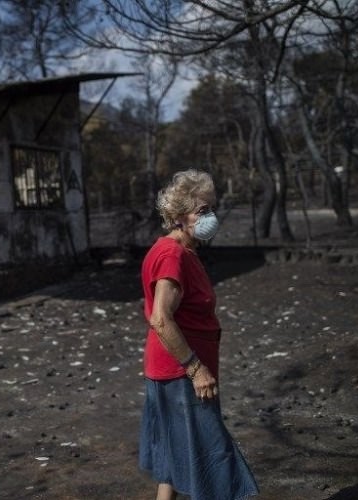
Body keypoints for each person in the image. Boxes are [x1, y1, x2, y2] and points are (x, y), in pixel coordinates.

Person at [139, 169, 258, 500]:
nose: (210, 218)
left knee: (176, 459)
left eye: (212, 209)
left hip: (169, 371)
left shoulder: (176, 251)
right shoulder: (172, 255)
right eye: (202, 211)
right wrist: (196, 369)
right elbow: (161, 319)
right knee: (215, 465)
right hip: (181, 375)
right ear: (179, 216)